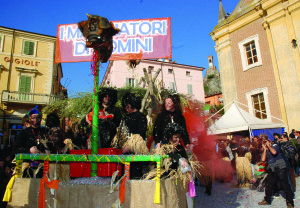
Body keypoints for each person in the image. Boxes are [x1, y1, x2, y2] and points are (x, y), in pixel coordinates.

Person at [258, 135, 294, 208]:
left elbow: (274, 152)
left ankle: (290, 202)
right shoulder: (266, 149)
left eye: (266, 141)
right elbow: (263, 159)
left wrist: (269, 146)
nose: (265, 143)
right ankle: (267, 200)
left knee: (285, 184)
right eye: (263, 142)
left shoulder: (275, 145)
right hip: (272, 169)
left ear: (269, 141)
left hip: (281, 168)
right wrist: (265, 149)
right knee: (268, 184)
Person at [120, 92, 148, 179]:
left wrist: (129, 146)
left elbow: (141, 134)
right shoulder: (125, 117)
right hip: (124, 151)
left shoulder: (141, 116)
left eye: (127, 106)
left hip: (136, 151)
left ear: (132, 104)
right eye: (125, 107)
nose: (126, 108)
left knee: (135, 176)